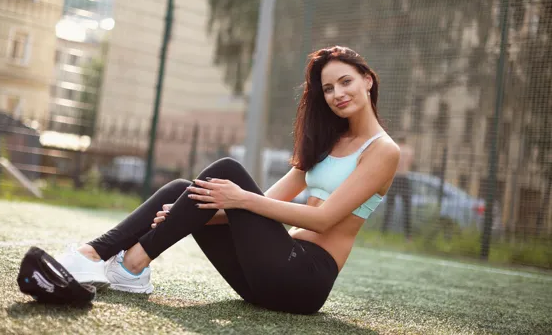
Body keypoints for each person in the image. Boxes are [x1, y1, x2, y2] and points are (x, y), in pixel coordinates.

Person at [56, 46, 400, 315]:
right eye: (327, 88)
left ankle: (117, 262)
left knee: (226, 172)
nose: (337, 93)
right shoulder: (328, 143)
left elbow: (324, 220)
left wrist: (239, 200)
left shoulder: (383, 151)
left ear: (367, 80)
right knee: (183, 192)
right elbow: (261, 205)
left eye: (345, 82)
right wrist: (187, 215)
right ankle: (114, 263)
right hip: (266, 276)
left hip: (305, 279)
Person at [381, 135, 414, 240]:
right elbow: (410, 162)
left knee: (389, 207)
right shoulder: (409, 150)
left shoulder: (394, 147)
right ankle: (407, 235)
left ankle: (384, 231)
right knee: (407, 208)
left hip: (395, 178)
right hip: (404, 178)